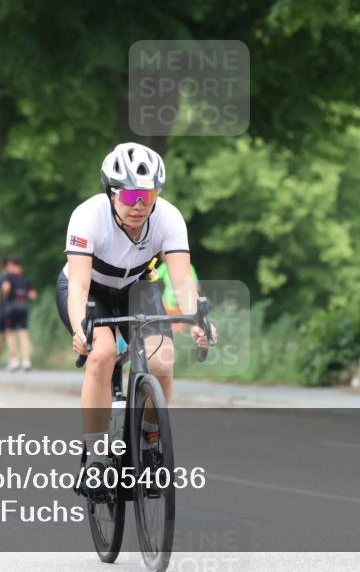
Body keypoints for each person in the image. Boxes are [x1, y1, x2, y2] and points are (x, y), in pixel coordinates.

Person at [56, 142, 214, 486]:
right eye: (130, 197)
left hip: (136, 288)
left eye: (148, 195)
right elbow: (79, 285)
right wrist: (81, 330)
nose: (139, 206)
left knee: (162, 361)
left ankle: (151, 443)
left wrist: (197, 321)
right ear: (111, 193)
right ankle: (95, 457)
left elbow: (182, 280)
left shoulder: (169, 217)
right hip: (90, 290)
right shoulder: (87, 216)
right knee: (102, 353)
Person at [1, 256, 38, 371]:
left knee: (10, 333)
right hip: (23, 308)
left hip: (11, 308)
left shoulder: (8, 277)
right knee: (24, 334)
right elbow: (33, 296)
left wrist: (5, 296)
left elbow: (5, 289)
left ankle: (14, 361)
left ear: (12, 265)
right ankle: (26, 361)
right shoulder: (26, 279)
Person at [156, 259, 198, 332]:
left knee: (178, 327)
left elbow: (195, 285)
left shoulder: (188, 267)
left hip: (181, 302)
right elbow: (154, 277)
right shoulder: (165, 266)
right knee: (167, 325)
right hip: (167, 301)